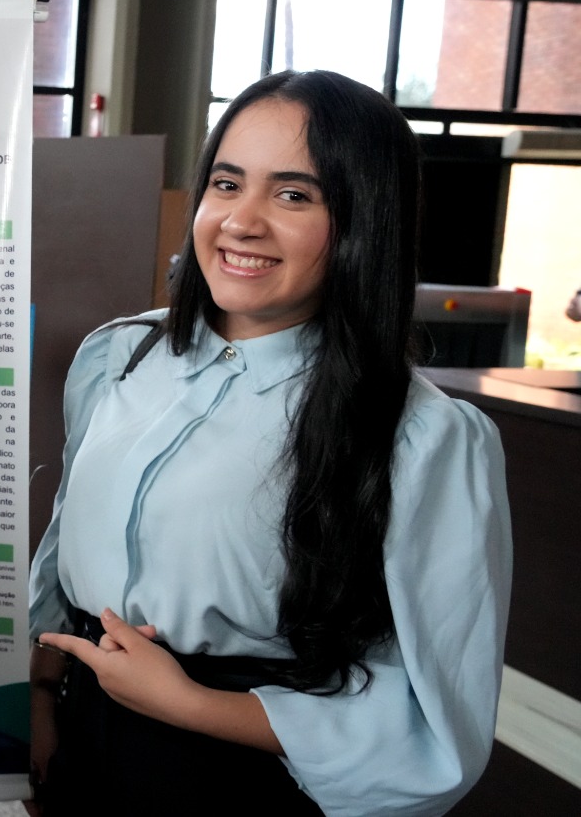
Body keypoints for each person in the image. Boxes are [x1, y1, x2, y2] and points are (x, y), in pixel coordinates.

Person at [27, 70, 512, 815]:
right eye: (227, 184)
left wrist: (187, 704)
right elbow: (63, 544)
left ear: (363, 221)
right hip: (81, 737)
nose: (241, 221)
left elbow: (431, 730)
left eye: (293, 196)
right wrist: (39, 697)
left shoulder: (421, 435)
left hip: (240, 776)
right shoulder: (121, 355)